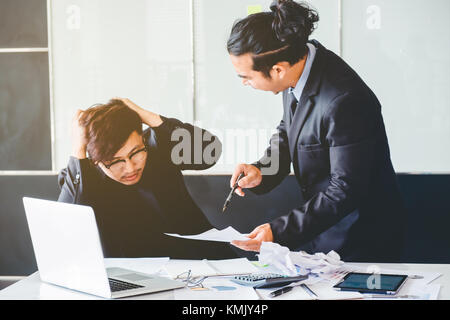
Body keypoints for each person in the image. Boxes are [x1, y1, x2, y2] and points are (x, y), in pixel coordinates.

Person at [226, 0, 406, 262]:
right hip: (324, 228)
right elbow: (290, 129)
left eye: (246, 77)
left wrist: (277, 230)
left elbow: (345, 189)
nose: (244, 83)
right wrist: (261, 171)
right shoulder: (296, 64)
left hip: (361, 237)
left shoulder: (344, 100)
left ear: (278, 70)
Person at [58, 98, 237, 259]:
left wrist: (143, 114)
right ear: (96, 160)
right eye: (114, 161)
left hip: (201, 261)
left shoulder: (156, 149)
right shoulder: (82, 176)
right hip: (133, 277)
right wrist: (77, 148)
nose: (130, 168)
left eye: (135, 153)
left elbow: (210, 151)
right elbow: (69, 229)